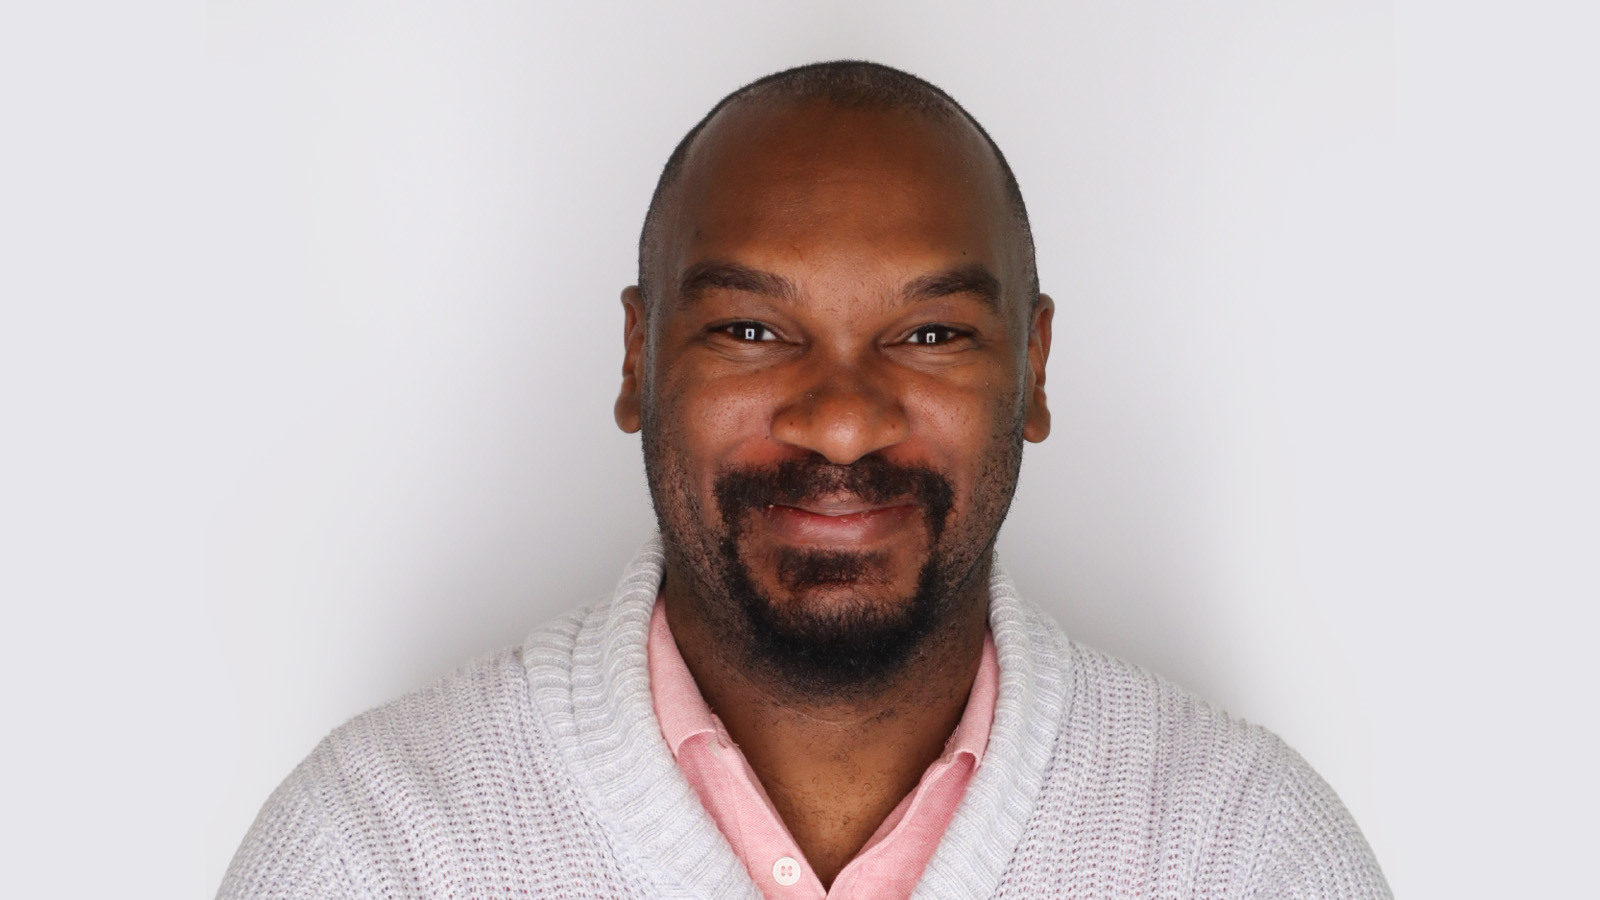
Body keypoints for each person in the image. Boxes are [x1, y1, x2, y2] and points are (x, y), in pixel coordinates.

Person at [219, 61, 1390, 899]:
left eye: (930, 336)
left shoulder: (1242, 855)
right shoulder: (377, 853)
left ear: (1034, 371)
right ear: (639, 357)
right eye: (751, 331)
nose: (838, 424)